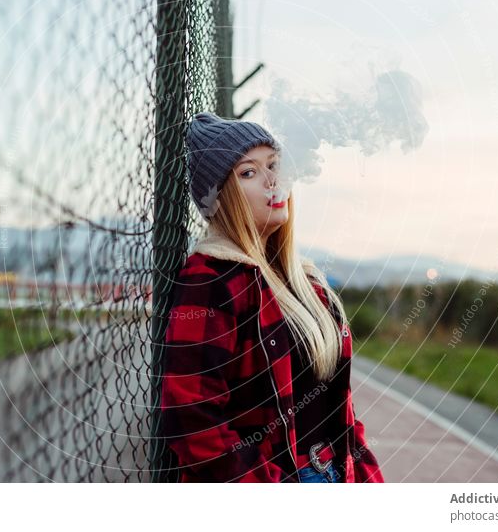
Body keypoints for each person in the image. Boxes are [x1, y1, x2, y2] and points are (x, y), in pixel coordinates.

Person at [160, 111, 384, 483]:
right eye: (248, 172)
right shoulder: (211, 278)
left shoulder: (306, 283)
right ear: (221, 197)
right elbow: (192, 415)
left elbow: (339, 408)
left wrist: (368, 480)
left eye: (274, 165)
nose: (272, 180)